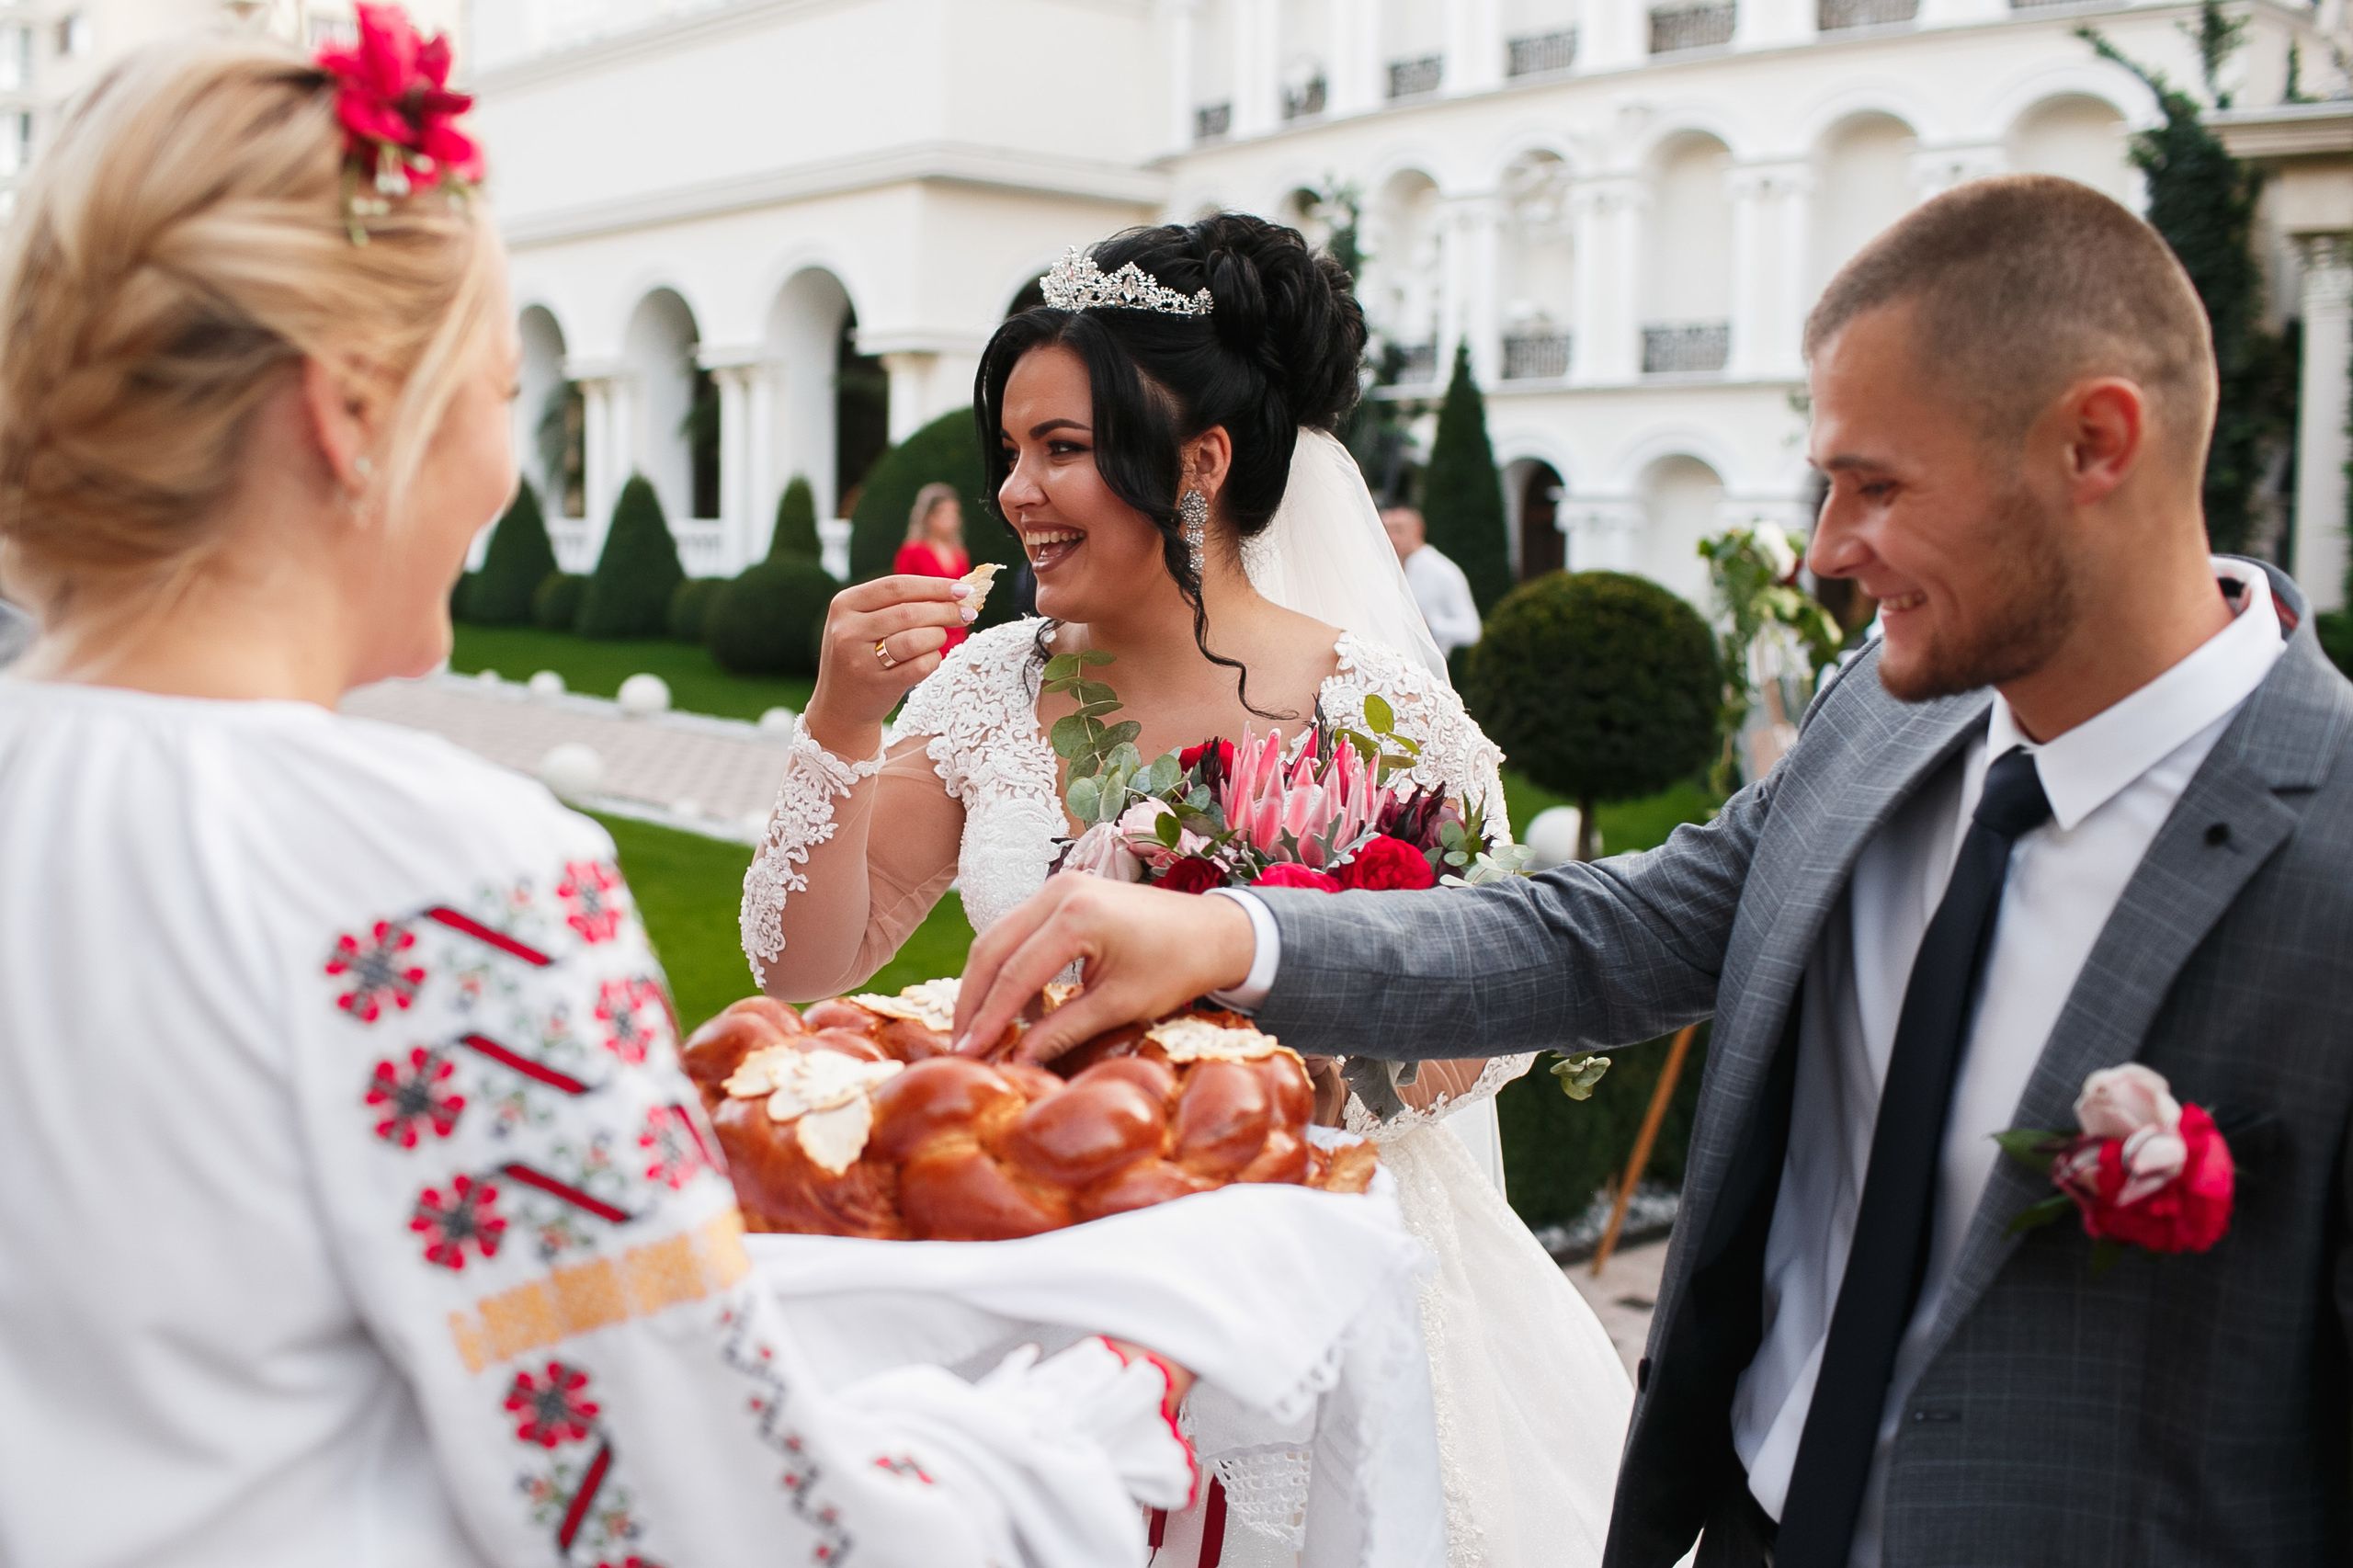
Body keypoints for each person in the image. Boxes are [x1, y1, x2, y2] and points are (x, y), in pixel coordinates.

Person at [952, 174, 2353, 1567]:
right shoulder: (1884, 716)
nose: (1824, 550)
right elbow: (1604, 938)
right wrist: (1242, 941)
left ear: (2093, 445)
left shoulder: (2332, 855)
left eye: (1877, 486)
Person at [0, 27, 1207, 1567]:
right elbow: (703, 1518)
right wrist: (1075, 1419)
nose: (506, 464)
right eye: (503, 392)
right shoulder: (434, 877)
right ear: (353, 408)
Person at [738, 214, 1631, 1567]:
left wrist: (1275, 1028)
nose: (1017, 492)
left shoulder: (1374, 712)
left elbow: (1479, 1017)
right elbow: (806, 967)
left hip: (1310, 1279)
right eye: (1014, 451)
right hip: (1050, 1254)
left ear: (1201, 463)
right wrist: (844, 719)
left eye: (1064, 449)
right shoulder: (991, 686)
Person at [1382, 504, 1481, 657]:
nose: (1392, 538)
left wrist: (1429, 624)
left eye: (1398, 530)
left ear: (1417, 529)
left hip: (1428, 668)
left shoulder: (1443, 571)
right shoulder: (1384, 568)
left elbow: (1471, 630)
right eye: (1386, 530)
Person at [893, 480, 973, 653]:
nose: (952, 520)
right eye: (944, 513)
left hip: (957, 636)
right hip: (926, 633)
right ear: (929, 517)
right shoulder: (912, 551)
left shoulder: (960, 554)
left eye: (954, 513)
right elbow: (903, 596)